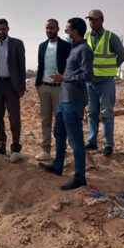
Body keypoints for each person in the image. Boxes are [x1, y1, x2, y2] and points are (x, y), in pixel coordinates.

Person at [38, 17, 94, 190]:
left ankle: (79, 177)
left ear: (75, 32)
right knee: (59, 133)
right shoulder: (73, 48)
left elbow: (87, 75)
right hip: (64, 98)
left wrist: (64, 77)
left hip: (74, 100)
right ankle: (58, 165)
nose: (66, 32)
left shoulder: (84, 50)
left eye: (67, 30)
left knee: (75, 140)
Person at [84, 9, 124, 157]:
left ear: (102, 20)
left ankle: (108, 144)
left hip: (106, 81)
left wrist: (111, 68)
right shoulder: (86, 36)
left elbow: (122, 55)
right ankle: (92, 141)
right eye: (90, 20)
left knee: (107, 113)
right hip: (90, 81)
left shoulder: (111, 37)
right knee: (91, 112)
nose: (91, 22)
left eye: (94, 19)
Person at [0, 19, 26, 161]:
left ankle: (15, 147)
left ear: (8, 29)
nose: (1, 32)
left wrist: (22, 87)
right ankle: (0, 145)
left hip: (12, 86)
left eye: (3, 29)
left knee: (14, 117)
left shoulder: (17, 44)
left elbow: (21, 66)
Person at [34, 19, 71, 161]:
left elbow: (70, 67)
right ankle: (45, 150)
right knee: (45, 120)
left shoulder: (66, 46)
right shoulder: (42, 46)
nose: (49, 30)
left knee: (60, 121)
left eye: (52, 27)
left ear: (58, 29)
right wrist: (38, 84)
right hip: (44, 87)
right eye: (47, 28)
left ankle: (62, 153)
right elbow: (40, 65)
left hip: (59, 89)